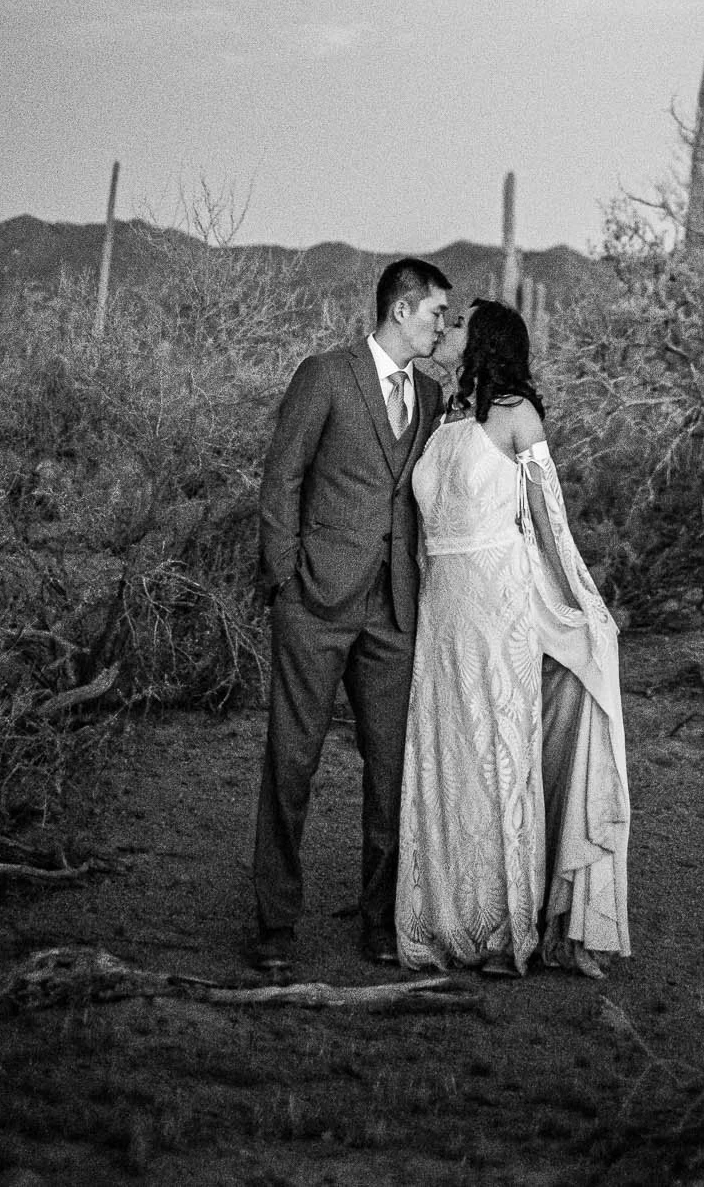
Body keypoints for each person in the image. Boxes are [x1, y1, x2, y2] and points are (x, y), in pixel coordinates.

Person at [396, 299, 630, 978]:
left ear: (486, 340)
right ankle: (441, 919)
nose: (445, 330)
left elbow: (546, 520)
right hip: (442, 609)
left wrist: (583, 606)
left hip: (499, 607)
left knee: (499, 754)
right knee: (445, 757)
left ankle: (506, 930)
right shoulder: (443, 418)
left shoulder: (517, 415)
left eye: (458, 323)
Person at [251, 255, 450, 976]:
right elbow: (283, 476)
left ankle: (381, 922)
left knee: (392, 771)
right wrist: (286, 578)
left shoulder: (429, 397)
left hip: (393, 609)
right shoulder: (326, 375)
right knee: (292, 762)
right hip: (316, 601)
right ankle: (274, 926)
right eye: (436, 314)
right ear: (401, 309)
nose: (442, 329)